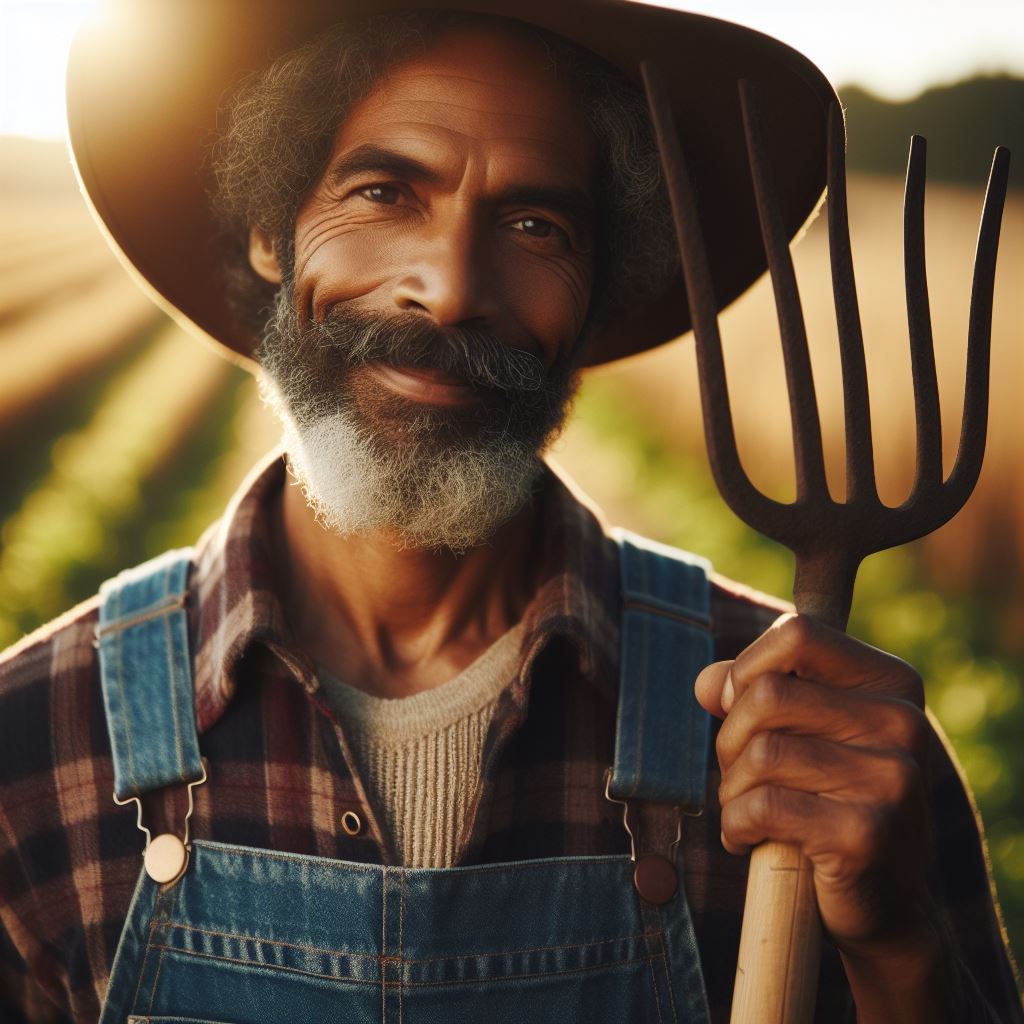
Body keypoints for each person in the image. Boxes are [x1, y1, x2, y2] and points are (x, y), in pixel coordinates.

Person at [0, 1, 1019, 1021]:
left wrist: (895, 948)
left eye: (535, 224)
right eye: (384, 191)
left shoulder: (819, 753)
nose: (448, 290)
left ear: (597, 287)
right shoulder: (34, 741)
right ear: (272, 231)